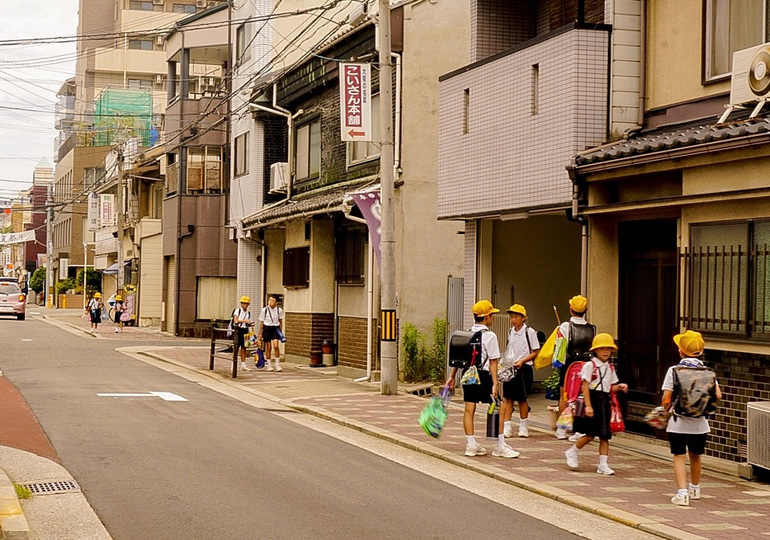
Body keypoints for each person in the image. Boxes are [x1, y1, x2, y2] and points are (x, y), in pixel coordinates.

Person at [445, 300, 519, 459]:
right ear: (487, 317)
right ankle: (499, 445)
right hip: (484, 376)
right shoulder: (490, 336)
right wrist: (495, 383)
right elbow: (493, 361)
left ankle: (471, 445)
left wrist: (451, 377)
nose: (492, 318)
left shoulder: (467, 333)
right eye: (492, 315)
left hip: (468, 374)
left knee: (469, 409)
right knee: (501, 406)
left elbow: (460, 359)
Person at [661, 330, 722, 506]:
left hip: (678, 423)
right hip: (700, 424)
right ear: (700, 352)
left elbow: (666, 398)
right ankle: (695, 488)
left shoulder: (674, 370)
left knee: (679, 456)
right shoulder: (708, 371)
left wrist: (666, 409)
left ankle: (682, 493)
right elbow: (718, 395)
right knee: (696, 455)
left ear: (680, 351)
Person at [564, 333, 628, 475]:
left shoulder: (610, 368)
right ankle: (572, 451)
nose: (605, 351)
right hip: (592, 399)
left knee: (605, 435)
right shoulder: (589, 365)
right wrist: (588, 405)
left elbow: (611, 386)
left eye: (608, 348)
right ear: (595, 350)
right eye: (602, 348)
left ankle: (603, 464)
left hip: (604, 401)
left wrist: (620, 387)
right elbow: (585, 386)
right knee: (590, 434)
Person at [552, 295, 596, 439]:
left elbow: (559, 349)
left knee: (565, 394)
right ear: (586, 310)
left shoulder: (565, 326)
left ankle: (562, 428)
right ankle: (579, 428)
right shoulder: (592, 328)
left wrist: (557, 363)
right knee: (581, 395)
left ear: (571, 309)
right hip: (587, 365)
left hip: (569, 364)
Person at [500, 304, 540, 438]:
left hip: (524, 368)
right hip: (511, 368)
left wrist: (523, 361)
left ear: (523, 318)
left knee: (523, 399)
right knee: (508, 399)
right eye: (511, 317)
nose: (513, 319)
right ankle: (507, 427)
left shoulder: (530, 332)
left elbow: (535, 351)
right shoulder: (510, 331)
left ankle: (523, 427)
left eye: (516, 317)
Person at [258, 295, 284, 372]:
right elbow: (262, 321)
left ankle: (277, 364)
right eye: (269, 300)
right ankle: (269, 365)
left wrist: (280, 331)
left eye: (272, 300)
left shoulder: (279, 310)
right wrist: (260, 332)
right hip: (267, 328)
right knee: (268, 347)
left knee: (276, 346)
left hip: (275, 328)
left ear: (276, 302)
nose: (270, 302)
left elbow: (280, 321)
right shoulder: (264, 310)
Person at [232, 296, 255, 372]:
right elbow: (236, 320)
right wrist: (245, 321)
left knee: (244, 347)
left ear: (248, 304)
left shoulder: (248, 313)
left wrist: (250, 324)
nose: (244, 305)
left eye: (246, 303)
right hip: (238, 330)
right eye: (243, 303)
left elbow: (246, 323)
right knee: (236, 347)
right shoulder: (237, 310)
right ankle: (233, 364)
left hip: (245, 330)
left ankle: (243, 364)